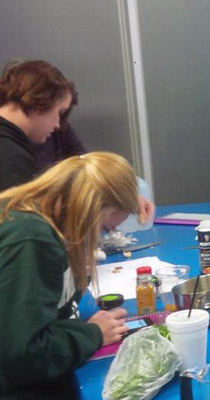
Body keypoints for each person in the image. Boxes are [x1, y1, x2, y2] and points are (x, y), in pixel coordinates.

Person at [0, 152, 139, 398]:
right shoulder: (31, 239)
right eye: (104, 228)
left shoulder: (42, 220)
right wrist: (93, 334)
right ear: (90, 207)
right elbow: (22, 355)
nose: (99, 238)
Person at [0, 59, 154, 224]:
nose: (58, 124)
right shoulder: (10, 155)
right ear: (38, 103)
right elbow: (25, 221)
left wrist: (121, 195)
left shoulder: (52, 133)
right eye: (60, 112)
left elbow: (91, 171)